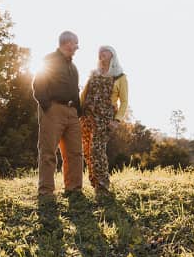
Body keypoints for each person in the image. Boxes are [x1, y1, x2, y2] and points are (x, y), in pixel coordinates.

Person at [31, 31, 83, 197]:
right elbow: (38, 85)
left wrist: (77, 111)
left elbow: (75, 91)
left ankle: (73, 189)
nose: (77, 47)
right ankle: (46, 191)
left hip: (72, 113)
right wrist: (47, 106)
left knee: (75, 153)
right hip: (53, 109)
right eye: (75, 44)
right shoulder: (49, 60)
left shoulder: (73, 67)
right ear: (68, 43)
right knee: (48, 152)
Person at [80, 45, 129, 193]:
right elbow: (84, 94)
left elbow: (124, 101)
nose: (101, 52)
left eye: (105, 50)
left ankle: (103, 185)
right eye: (99, 51)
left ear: (112, 55)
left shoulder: (120, 77)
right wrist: (78, 111)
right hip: (87, 117)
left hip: (105, 119)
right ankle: (94, 182)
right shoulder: (93, 74)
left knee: (97, 149)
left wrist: (117, 120)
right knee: (87, 150)